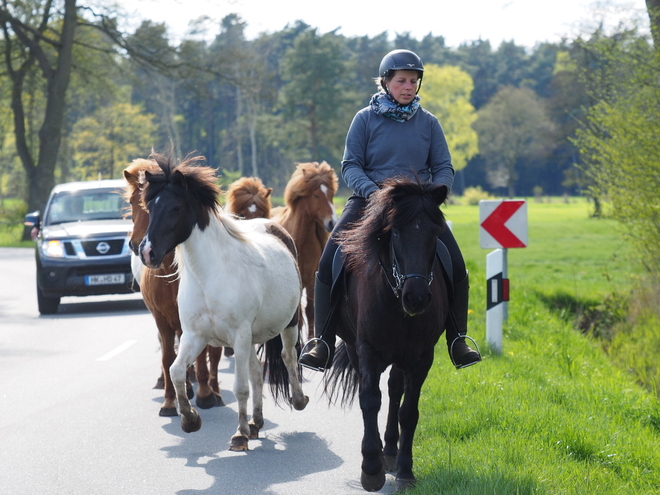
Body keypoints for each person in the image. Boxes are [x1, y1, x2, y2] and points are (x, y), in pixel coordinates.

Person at [299, 49, 481, 371]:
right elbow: (351, 165)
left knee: (455, 263)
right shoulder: (364, 119)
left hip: (417, 206)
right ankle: (323, 342)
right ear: (386, 82)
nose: (408, 86)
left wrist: (434, 194)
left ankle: (458, 340)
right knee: (330, 260)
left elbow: (443, 167)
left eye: (413, 81)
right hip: (368, 202)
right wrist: (375, 193)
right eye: (401, 81)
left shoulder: (429, 123)